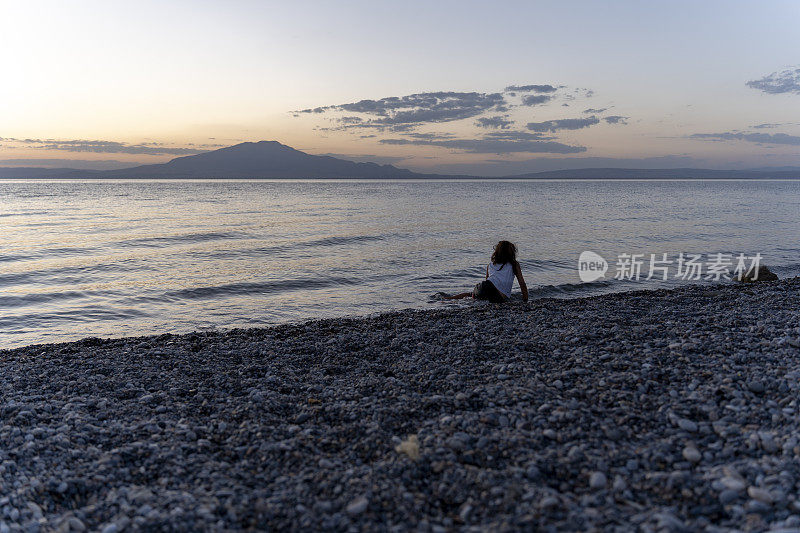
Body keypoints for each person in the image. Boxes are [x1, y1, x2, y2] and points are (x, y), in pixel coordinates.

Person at [445, 241, 528, 303]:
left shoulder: (491, 264)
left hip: (481, 287)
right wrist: (525, 300)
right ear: (512, 253)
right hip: (494, 293)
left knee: (470, 295)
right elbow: (522, 284)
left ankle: (447, 300)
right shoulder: (514, 264)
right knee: (485, 298)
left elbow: (487, 280)